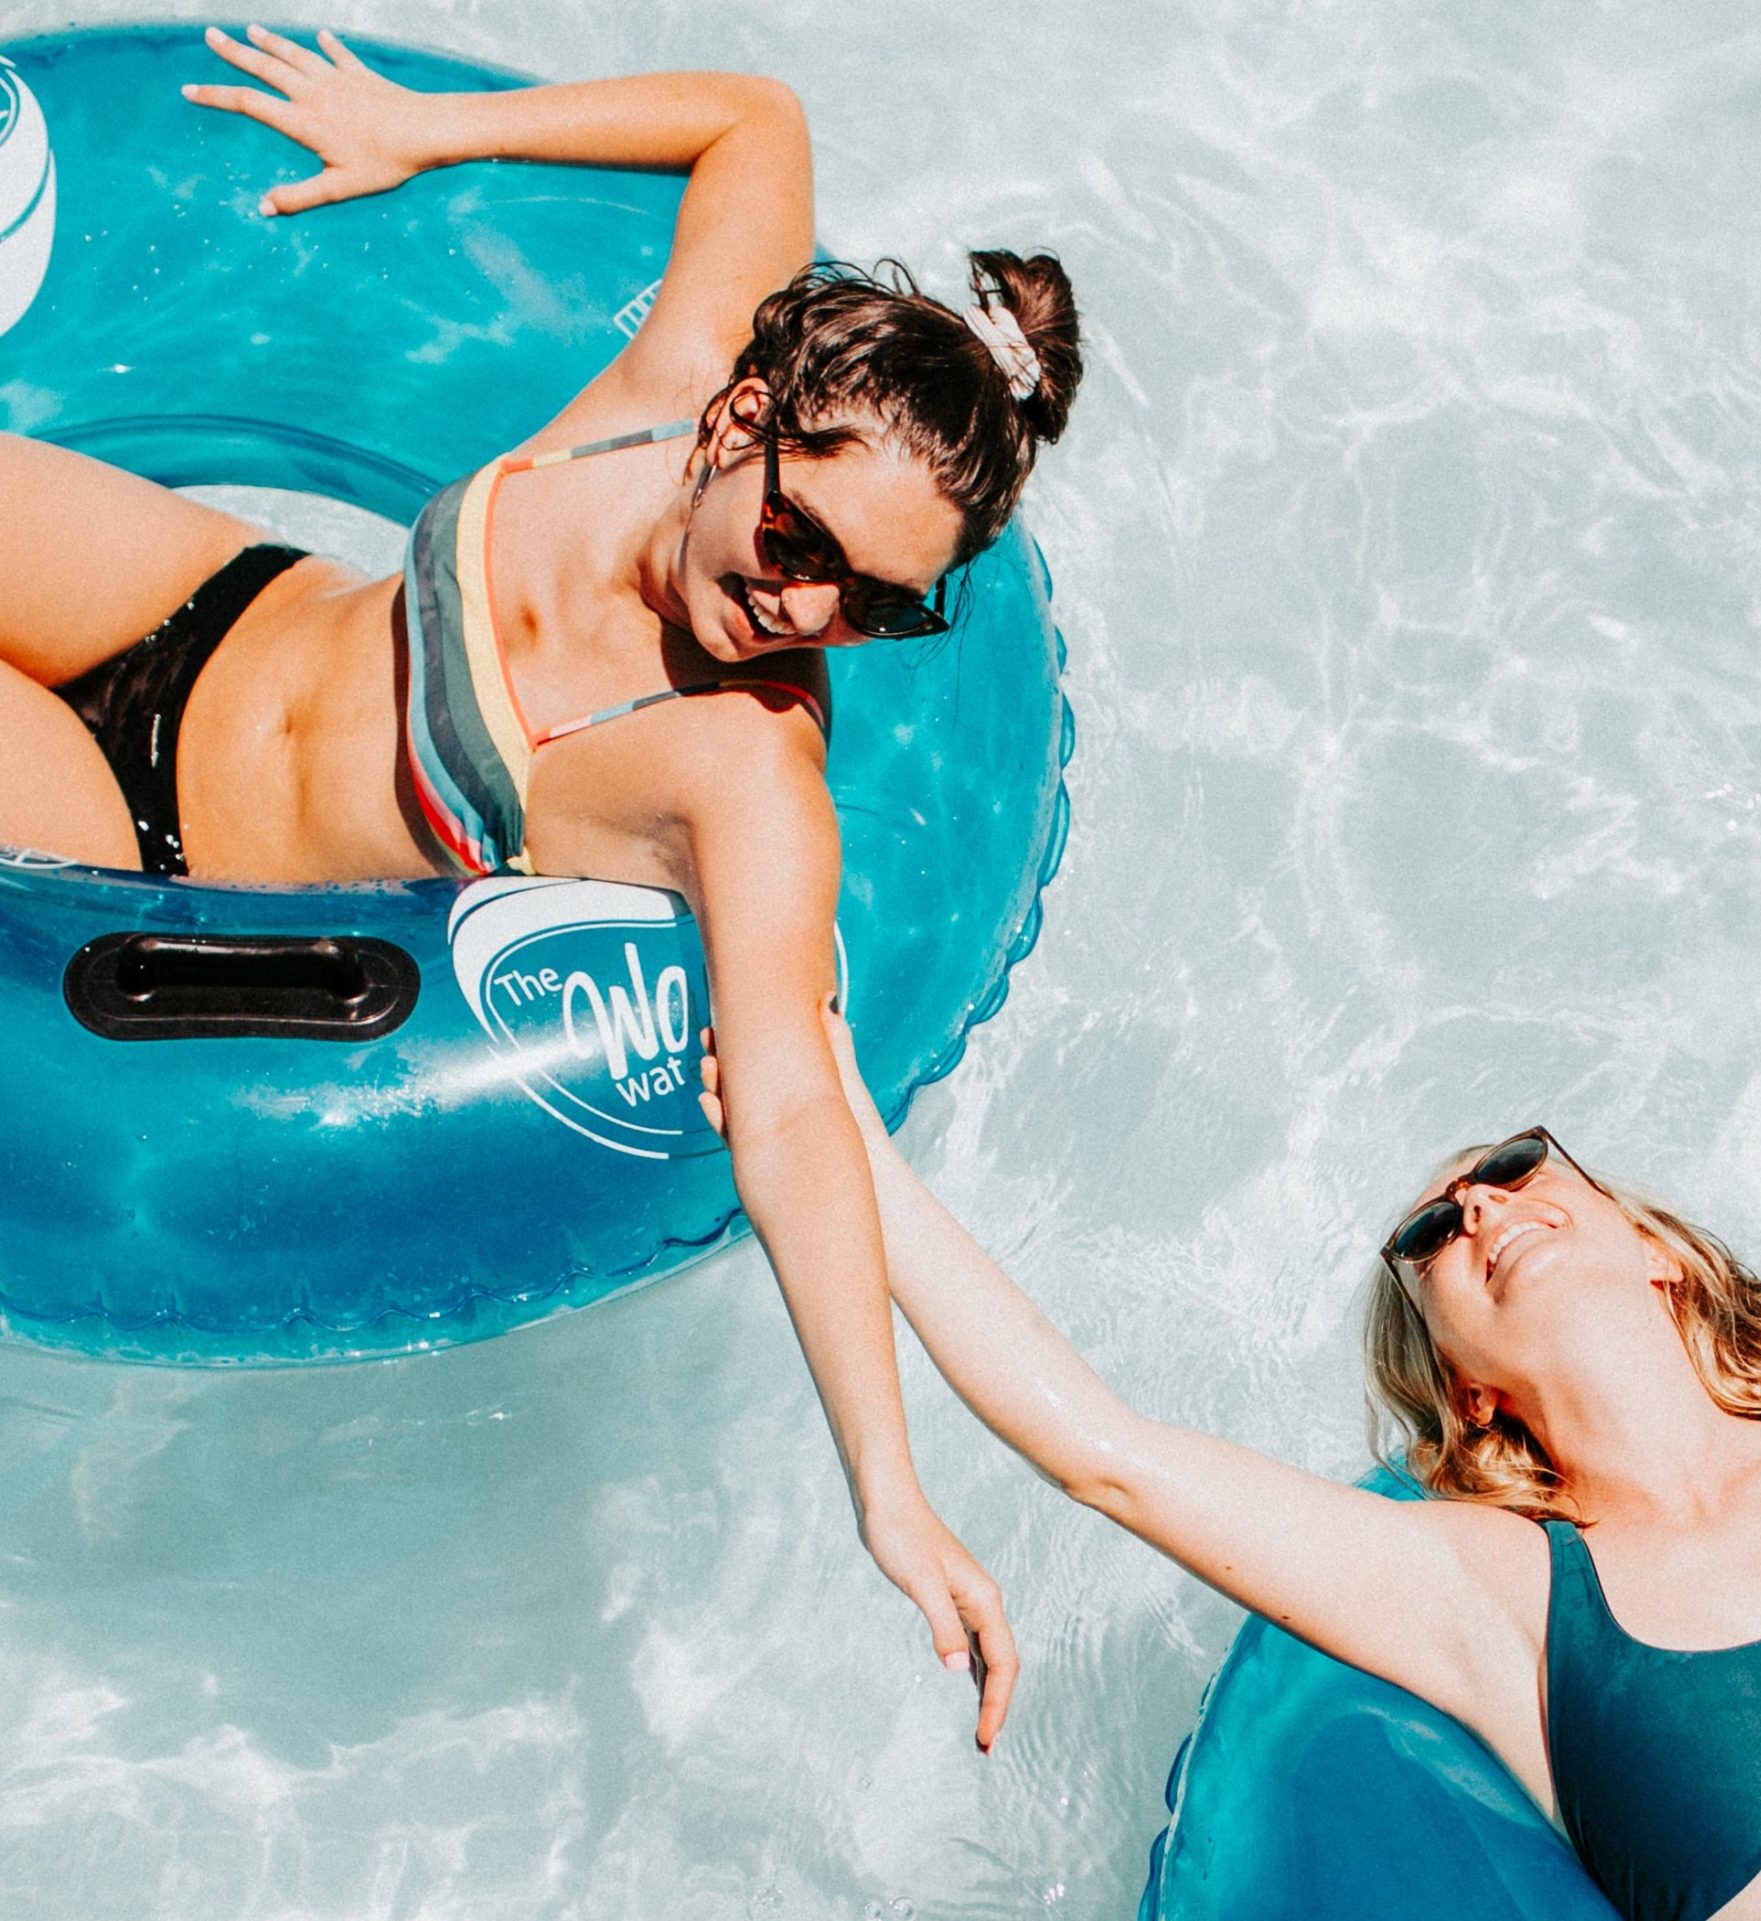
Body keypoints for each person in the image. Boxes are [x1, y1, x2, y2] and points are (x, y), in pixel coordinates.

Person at [0, 26, 1082, 1741]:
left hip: (142, 850)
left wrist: (889, 1485)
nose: (809, 617)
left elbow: (795, 1111)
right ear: (738, 420)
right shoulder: (661, 393)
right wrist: (422, 131)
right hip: (205, 599)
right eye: (800, 544)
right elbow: (756, 117)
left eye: (880, 606)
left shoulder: (741, 769)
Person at [704, 837, 1761, 1916]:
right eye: (1437, 1224)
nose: (1486, 1206)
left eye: (1513, 1164)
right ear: (1468, 1394)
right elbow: (1108, 1452)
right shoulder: (1499, 1600)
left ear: (1656, 1245)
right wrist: (836, 1120)